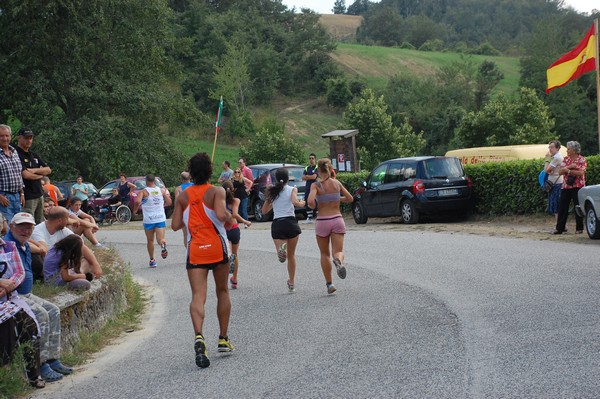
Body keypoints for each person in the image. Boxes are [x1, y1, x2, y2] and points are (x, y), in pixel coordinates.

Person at [171, 152, 234, 368]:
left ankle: (199, 336)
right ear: (209, 171)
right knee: (222, 291)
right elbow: (220, 213)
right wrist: (229, 216)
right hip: (217, 247)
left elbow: (175, 225)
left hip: (196, 248)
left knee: (198, 295)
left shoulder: (182, 196)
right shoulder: (217, 191)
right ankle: (223, 339)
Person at [7, 213, 72, 382]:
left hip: (26, 293)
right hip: (13, 295)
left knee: (53, 310)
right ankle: (41, 364)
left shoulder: (24, 244)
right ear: (11, 227)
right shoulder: (8, 245)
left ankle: (53, 359)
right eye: (21, 226)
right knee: (42, 314)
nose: (25, 230)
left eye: (29, 227)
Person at [0, 235, 45, 388]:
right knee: (7, 325)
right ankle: (6, 375)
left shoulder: (9, 246)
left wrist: (8, 286)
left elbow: (19, 272)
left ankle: (34, 373)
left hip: (9, 297)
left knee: (29, 325)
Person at [307, 158, 353, 294]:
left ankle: (330, 284)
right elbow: (350, 198)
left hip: (322, 221)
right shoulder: (337, 183)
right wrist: (336, 198)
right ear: (330, 169)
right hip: (337, 219)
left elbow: (310, 202)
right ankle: (338, 260)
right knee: (337, 251)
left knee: (324, 253)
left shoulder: (316, 185)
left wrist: (315, 204)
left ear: (319, 171)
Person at [261, 168, 305, 293]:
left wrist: (270, 202)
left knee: (283, 250)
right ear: (287, 179)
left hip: (278, 224)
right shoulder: (292, 189)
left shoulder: (272, 192)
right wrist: (302, 203)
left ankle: (281, 250)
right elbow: (294, 201)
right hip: (291, 223)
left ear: (276, 179)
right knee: (291, 256)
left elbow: (264, 211)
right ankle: (291, 282)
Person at [31, 206, 102, 279]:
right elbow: (45, 253)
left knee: (89, 259)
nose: (68, 221)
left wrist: (96, 265)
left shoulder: (63, 230)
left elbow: (81, 245)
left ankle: (76, 273)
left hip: (62, 265)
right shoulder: (38, 231)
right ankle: (74, 274)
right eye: (67, 219)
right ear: (59, 220)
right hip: (47, 268)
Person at [134, 174, 171, 268]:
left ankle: (152, 260)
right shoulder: (162, 190)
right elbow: (169, 202)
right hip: (160, 218)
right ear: (154, 181)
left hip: (149, 220)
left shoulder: (143, 191)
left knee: (150, 241)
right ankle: (163, 245)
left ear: (146, 181)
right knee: (160, 239)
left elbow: (137, 202)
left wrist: (134, 211)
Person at [16, 127, 52, 224]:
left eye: (31, 138)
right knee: (28, 223)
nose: (29, 140)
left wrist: (34, 170)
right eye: (26, 138)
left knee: (40, 223)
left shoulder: (33, 154)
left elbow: (48, 170)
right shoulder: (16, 153)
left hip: (39, 193)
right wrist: (40, 174)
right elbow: (26, 175)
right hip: (28, 195)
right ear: (19, 138)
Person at [222, 180, 251, 290]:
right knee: (235, 254)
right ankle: (234, 279)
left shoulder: (219, 201)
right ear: (233, 189)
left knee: (224, 255)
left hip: (223, 230)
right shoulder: (236, 200)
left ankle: (224, 279)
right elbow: (235, 214)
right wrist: (245, 221)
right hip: (234, 229)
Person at [553, 141, 587, 235]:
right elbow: (560, 171)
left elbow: (580, 173)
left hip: (578, 186)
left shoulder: (581, 159)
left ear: (574, 150)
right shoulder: (566, 159)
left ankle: (579, 228)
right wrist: (571, 168)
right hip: (566, 186)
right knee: (562, 207)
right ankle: (559, 228)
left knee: (578, 207)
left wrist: (567, 171)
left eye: (568, 149)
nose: (567, 150)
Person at [0, 124, 25, 222]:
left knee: (19, 225)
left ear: (10, 137)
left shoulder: (14, 152)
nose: (4, 138)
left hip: (17, 196)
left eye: (7, 135)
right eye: (1, 136)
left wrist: (22, 193)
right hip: (4, 197)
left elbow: (19, 174)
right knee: (7, 228)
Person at [544, 140, 563, 222]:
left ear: (557, 148)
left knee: (556, 205)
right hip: (555, 183)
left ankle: (559, 225)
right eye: (549, 147)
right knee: (556, 205)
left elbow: (546, 170)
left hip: (556, 184)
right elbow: (549, 170)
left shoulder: (557, 158)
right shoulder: (556, 157)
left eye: (552, 147)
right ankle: (559, 225)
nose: (550, 149)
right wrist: (549, 170)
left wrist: (547, 159)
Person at [174, 172, 194, 247]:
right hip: (196, 211)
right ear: (190, 178)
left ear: (181, 179)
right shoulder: (195, 186)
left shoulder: (179, 189)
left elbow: (177, 202)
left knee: (186, 234)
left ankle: (188, 250)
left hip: (185, 213)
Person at [302, 153, 318, 223]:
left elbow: (314, 177)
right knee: (308, 201)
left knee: (316, 201)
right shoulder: (307, 168)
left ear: (315, 159)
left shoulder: (317, 167)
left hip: (315, 187)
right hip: (308, 187)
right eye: (310, 158)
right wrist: (309, 177)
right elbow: (303, 177)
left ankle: (317, 216)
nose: (311, 160)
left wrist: (307, 176)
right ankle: (309, 217)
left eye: (312, 158)